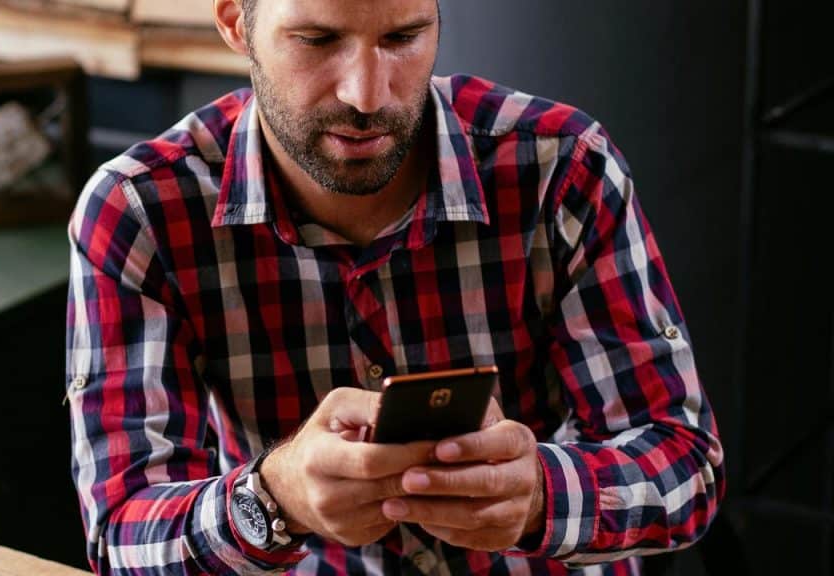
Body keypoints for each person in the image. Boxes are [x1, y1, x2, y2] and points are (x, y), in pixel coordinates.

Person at [65, 0, 725, 574]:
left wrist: (541, 494)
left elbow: (685, 468)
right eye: (318, 40)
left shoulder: (562, 168)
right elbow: (123, 535)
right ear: (238, 25)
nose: (367, 94)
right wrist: (278, 498)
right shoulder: (139, 212)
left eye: (402, 38)